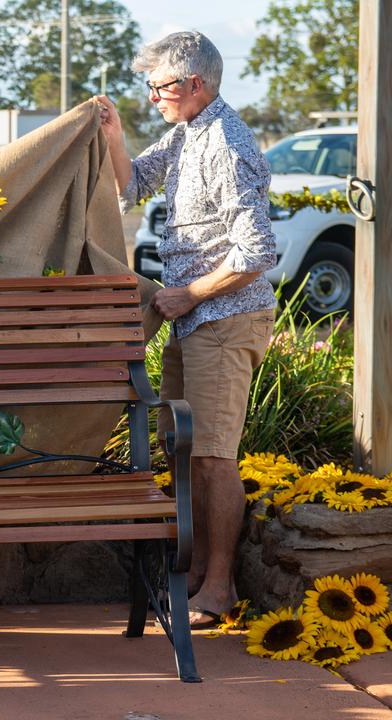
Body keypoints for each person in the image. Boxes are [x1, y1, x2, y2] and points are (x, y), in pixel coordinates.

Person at [97, 31, 276, 629]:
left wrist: (188, 294)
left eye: (160, 87)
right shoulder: (187, 131)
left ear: (194, 84)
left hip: (224, 318)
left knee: (213, 458)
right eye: (147, 89)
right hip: (192, 320)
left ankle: (219, 587)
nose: (153, 98)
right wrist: (115, 136)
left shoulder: (226, 141)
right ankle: (196, 572)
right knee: (187, 454)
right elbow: (130, 187)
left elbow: (256, 251)